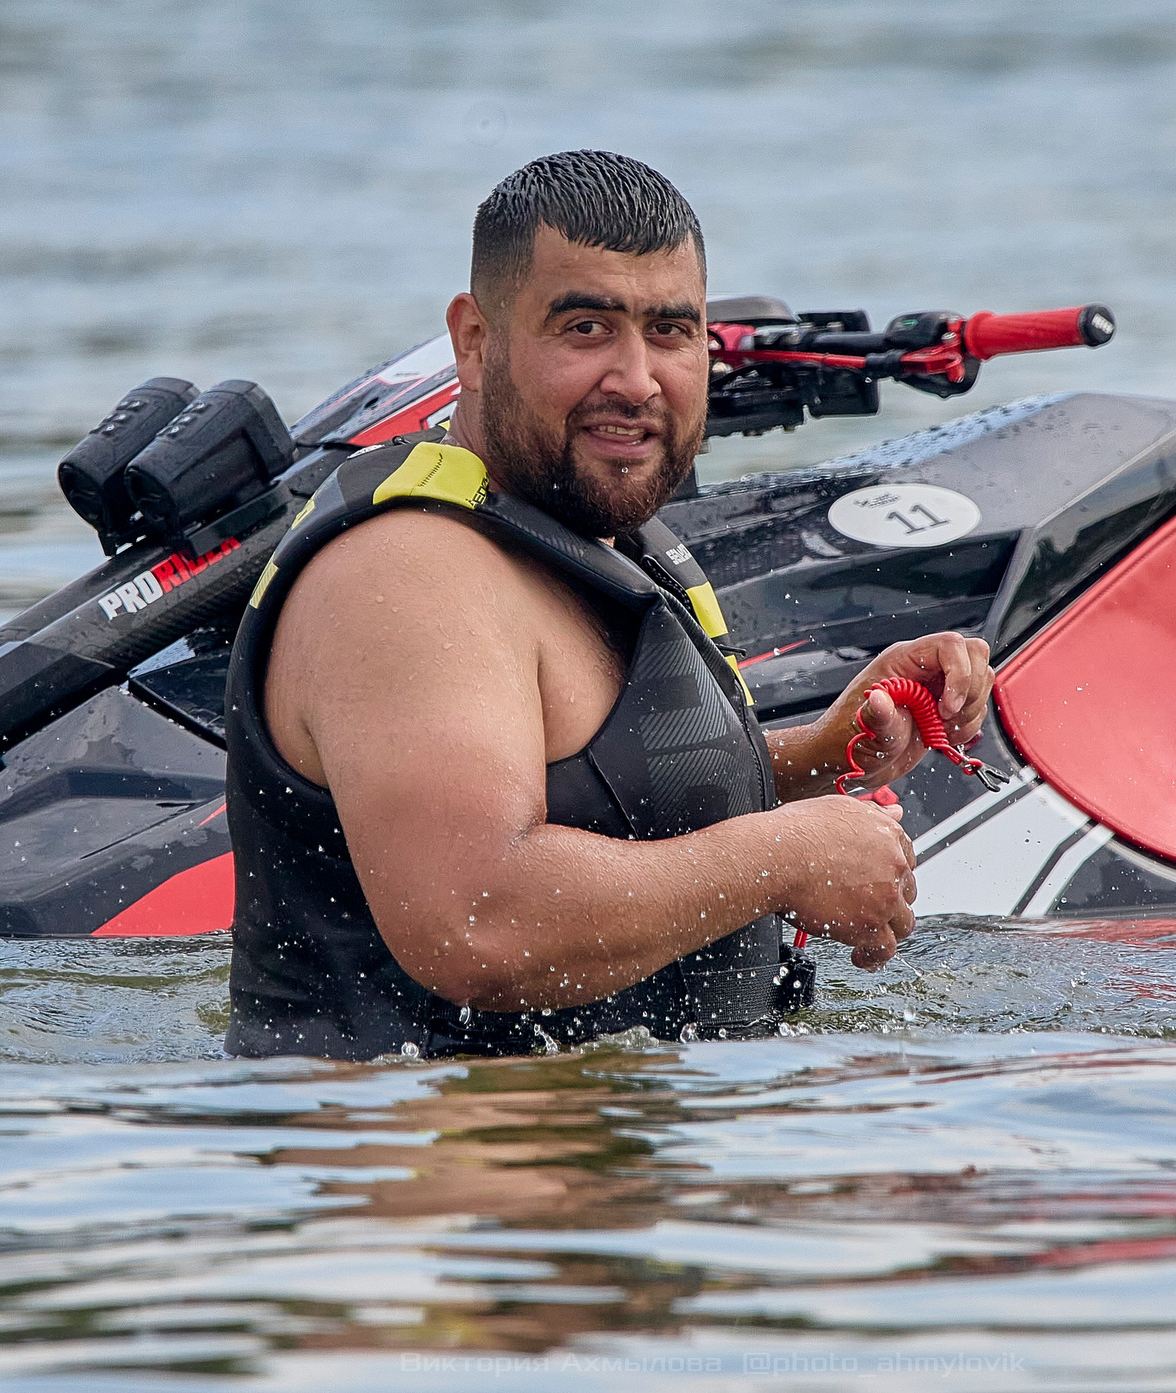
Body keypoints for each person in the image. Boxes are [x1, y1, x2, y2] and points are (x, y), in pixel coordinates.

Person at [222, 151, 994, 1059]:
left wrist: (824, 758)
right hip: (446, 1174)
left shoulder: (592, 526)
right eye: (586, 328)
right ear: (475, 341)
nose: (636, 379)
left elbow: (591, 790)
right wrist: (785, 856)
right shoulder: (406, 573)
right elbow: (478, 923)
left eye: (671, 333)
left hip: (608, 1150)